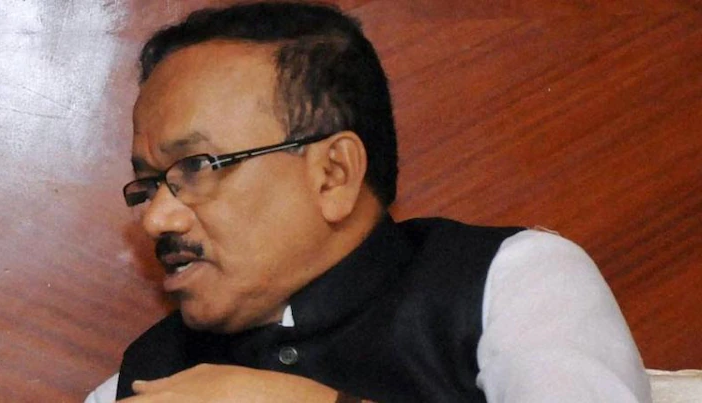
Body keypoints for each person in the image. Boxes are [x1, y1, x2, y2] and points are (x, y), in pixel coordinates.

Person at [86, 2, 652, 402]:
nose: (156, 218)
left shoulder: (509, 283)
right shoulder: (142, 378)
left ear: (333, 174)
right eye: (149, 185)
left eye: (195, 168)